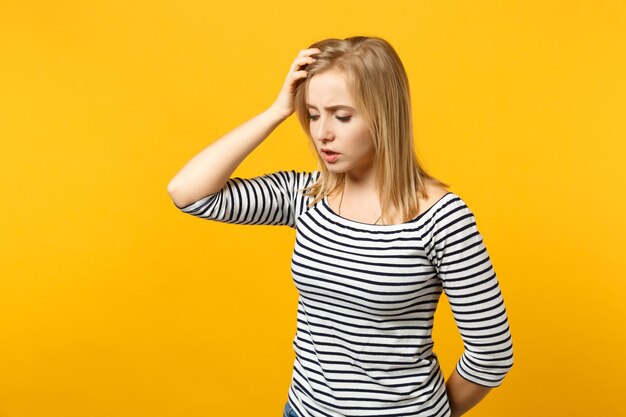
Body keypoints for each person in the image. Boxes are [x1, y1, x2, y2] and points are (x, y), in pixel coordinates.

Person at [167, 36, 514, 417]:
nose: (321, 133)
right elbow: (188, 193)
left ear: (384, 115)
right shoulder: (307, 196)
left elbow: (491, 355)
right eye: (313, 114)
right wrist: (276, 111)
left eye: (342, 116)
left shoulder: (441, 220)